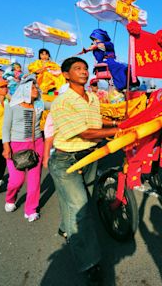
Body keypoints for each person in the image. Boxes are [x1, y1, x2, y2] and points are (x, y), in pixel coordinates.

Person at [49, 57, 119, 285]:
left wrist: (126, 122)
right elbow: (85, 132)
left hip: (89, 156)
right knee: (80, 208)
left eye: (85, 68)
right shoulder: (62, 101)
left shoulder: (92, 97)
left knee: (78, 201)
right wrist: (117, 130)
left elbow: (97, 124)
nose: (84, 71)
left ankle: (64, 227)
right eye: (77, 68)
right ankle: (90, 263)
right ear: (66, 75)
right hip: (66, 160)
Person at [2, 75, 44, 222]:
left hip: (37, 143)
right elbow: (6, 128)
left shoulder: (40, 105)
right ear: (24, 90)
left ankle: (31, 209)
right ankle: (11, 198)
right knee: (16, 180)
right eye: (32, 88)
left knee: (34, 179)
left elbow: (58, 104)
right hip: (16, 145)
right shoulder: (12, 106)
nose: (36, 90)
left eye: (36, 87)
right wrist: (6, 147)